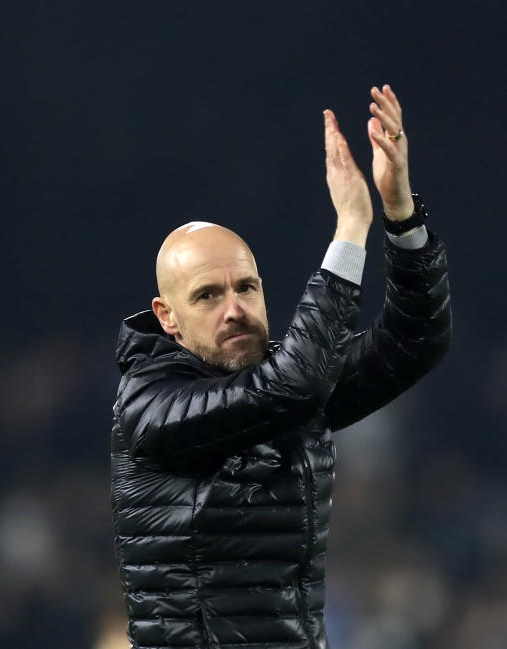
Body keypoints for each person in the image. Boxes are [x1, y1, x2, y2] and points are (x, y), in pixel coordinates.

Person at [110, 85, 451, 649]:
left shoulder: (290, 383)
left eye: (246, 287)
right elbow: (289, 386)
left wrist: (399, 215)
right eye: (207, 296)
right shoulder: (148, 408)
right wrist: (348, 231)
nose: (235, 309)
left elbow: (417, 341)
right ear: (166, 317)